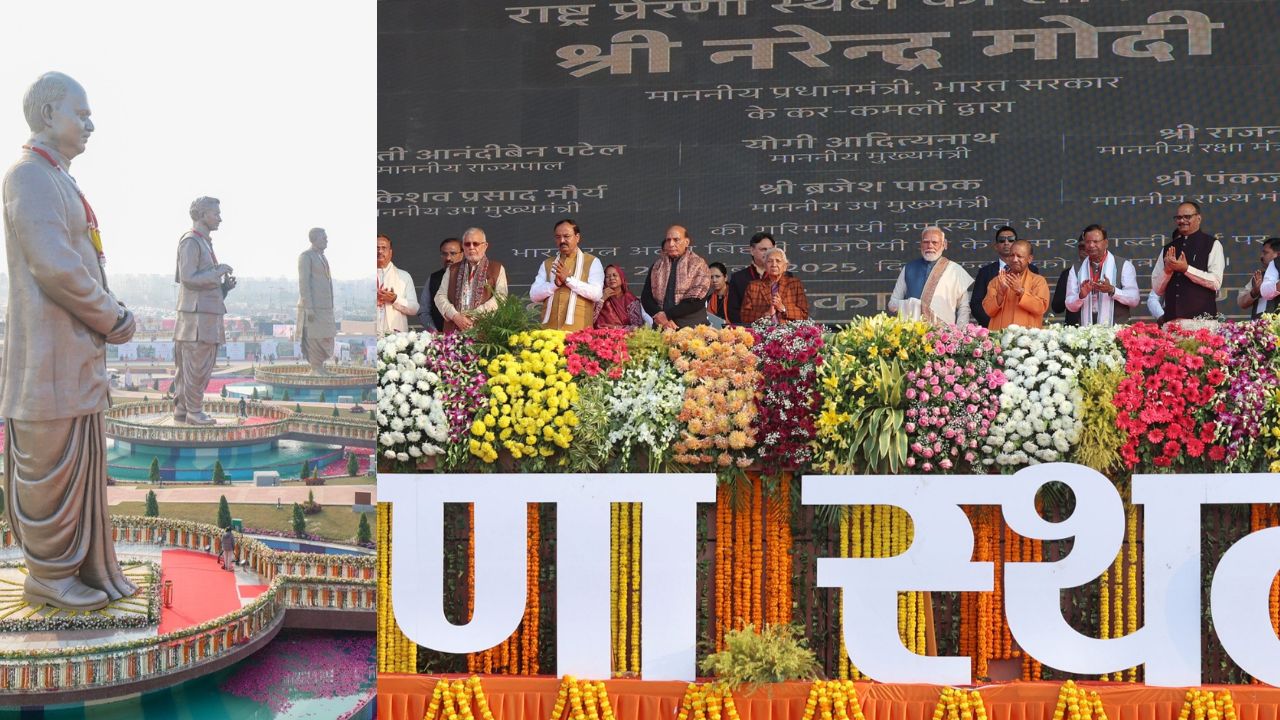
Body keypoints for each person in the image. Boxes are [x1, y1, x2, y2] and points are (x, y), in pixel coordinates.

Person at [2, 72, 138, 611]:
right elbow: (55, 267)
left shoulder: (58, 178)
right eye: (80, 114)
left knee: (71, 468)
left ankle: (78, 568)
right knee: (48, 470)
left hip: (72, 356)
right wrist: (113, 317)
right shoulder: (28, 176)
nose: (90, 124)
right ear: (48, 113)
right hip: (46, 360)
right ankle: (50, 575)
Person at [173, 196, 236, 426]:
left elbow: (202, 285)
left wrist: (223, 288)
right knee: (196, 367)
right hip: (196, 320)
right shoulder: (191, 241)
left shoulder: (205, 242)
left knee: (199, 365)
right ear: (202, 215)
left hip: (207, 315)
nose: (220, 217)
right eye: (215, 213)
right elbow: (188, 278)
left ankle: (183, 410)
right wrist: (217, 271)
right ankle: (194, 411)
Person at [1151, 201, 1223, 323]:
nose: (1182, 220)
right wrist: (1167, 271)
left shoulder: (1212, 244)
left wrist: (1186, 269)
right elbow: (1157, 289)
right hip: (1172, 322)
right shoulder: (1168, 248)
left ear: (1198, 218)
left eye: (1187, 217)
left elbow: (1215, 282)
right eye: (1179, 217)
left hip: (1201, 323)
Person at [887, 227, 974, 325]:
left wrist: (959, 334)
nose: (930, 246)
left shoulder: (955, 270)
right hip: (913, 333)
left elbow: (964, 307)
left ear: (944, 244)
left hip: (944, 334)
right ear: (921, 245)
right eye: (926, 242)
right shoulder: (909, 268)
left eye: (935, 242)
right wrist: (912, 304)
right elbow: (892, 304)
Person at [530, 218, 603, 331]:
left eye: (566, 236)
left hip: (579, 332)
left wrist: (568, 280)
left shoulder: (592, 261)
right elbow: (534, 295)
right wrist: (555, 284)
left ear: (577, 237)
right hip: (549, 332)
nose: (562, 240)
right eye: (558, 237)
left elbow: (596, 294)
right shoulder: (547, 263)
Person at [1065, 225, 1140, 326]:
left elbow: (1134, 299)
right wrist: (1081, 296)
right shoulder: (1076, 269)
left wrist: (1112, 290)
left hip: (1118, 333)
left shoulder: (1124, 266)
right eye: (1087, 242)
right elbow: (1069, 305)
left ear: (1106, 243)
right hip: (1086, 333)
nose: (1091, 245)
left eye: (1095, 241)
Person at [435, 227, 508, 332]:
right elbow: (440, 296)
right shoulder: (452, 269)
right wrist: (455, 316)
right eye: (467, 244)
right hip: (455, 330)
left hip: (485, 331)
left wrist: (474, 315)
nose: (471, 247)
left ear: (485, 246)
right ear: (463, 247)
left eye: (476, 244)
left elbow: (501, 298)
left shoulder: (497, 268)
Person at [641, 225, 711, 329]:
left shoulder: (698, 264)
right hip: (661, 327)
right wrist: (659, 316)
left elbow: (696, 300)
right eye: (668, 240)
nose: (671, 244)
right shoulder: (657, 266)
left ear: (687, 242)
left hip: (691, 328)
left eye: (676, 240)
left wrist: (667, 316)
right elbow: (646, 297)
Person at [970, 226, 1041, 328]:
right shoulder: (985, 272)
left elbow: (1037, 303)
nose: (1006, 243)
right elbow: (976, 304)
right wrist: (994, 323)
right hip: (994, 330)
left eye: (1011, 240)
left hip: (1024, 330)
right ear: (996, 246)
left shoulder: (1032, 270)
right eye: (1002, 240)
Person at [982, 239, 1050, 330]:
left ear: (1029, 259)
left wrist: (1020, 291)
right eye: (1011, 255)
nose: (1014, 259)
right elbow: (988, 311)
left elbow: (1041, 307)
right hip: (999, 339)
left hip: (1027, 340)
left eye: (1019, 256)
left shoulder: (1038, 281)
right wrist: (1000, 294)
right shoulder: (997, 281)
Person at [297, 227, 335, 374]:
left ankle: (320, 366)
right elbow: (304, 283)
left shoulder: (322, 257)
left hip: (325, 308)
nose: (326, 240)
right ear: (314, 239)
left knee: (326, 336)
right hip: (313, 308)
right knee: (314, 337)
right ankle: (315, 367)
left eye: (326, 237)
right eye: (323, 238)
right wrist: (309, 308)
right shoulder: (306, 257)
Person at [740, 248, 809, 324]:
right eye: (769, 261)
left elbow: (804, 314)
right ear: (765, 266)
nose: (774, 264)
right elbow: (744, 316)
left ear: (785, 266)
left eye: (778, 261)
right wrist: (767, 314)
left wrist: (783, 308)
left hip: (788, 332)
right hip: (762, 332)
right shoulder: (753, 286)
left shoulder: (794, 284)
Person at [726, 232, 778, 324]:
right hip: (749, 333)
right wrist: (757, 323)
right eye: (763, 249)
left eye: (771, 250)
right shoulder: (738, 278)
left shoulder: (785, 276)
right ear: (752, 250)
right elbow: (733, 312)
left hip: (779, 332)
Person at [376, 233, 419, 333]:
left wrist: (394, 299)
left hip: (394, 341)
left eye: (384, 248)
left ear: (391, 252)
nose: (379, 251)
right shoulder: (365, 279)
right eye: (376, 248)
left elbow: (414, 308)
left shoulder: (403, 276)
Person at [417, 238, 461, 331]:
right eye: (444, 254)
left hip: (468, 337)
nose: (448, 258)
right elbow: (424, 311)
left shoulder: (471, 277)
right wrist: (434, 332)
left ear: (462, 254)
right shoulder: (433, 278)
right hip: (440, 338)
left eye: (453, 253)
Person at [594, 264, 646, 329]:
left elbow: (637, 326)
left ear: (621, 278)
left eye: (614, 275)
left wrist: (614, 329)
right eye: (607, 276)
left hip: (624, 337)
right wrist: (602, 299)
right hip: (599, 336)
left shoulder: (630, 299)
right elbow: (590, 320)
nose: (611, 278)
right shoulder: (597, 296)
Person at [1239, 237, 1280, 317]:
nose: (1261, 256)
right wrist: (1254, 292)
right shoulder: (1259, 276)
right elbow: (1241, 302)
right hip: (1261, 326)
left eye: (1265, 253)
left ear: (1278, 255)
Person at [1050, 240, 1087, 326]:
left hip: (1102, 328)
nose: (1085, 250)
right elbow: (1057, 307)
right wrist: (1072, 293)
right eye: (1082, 247)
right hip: (1074, 331)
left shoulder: (1108, 272)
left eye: (1089, 246)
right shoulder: (1069, 273)